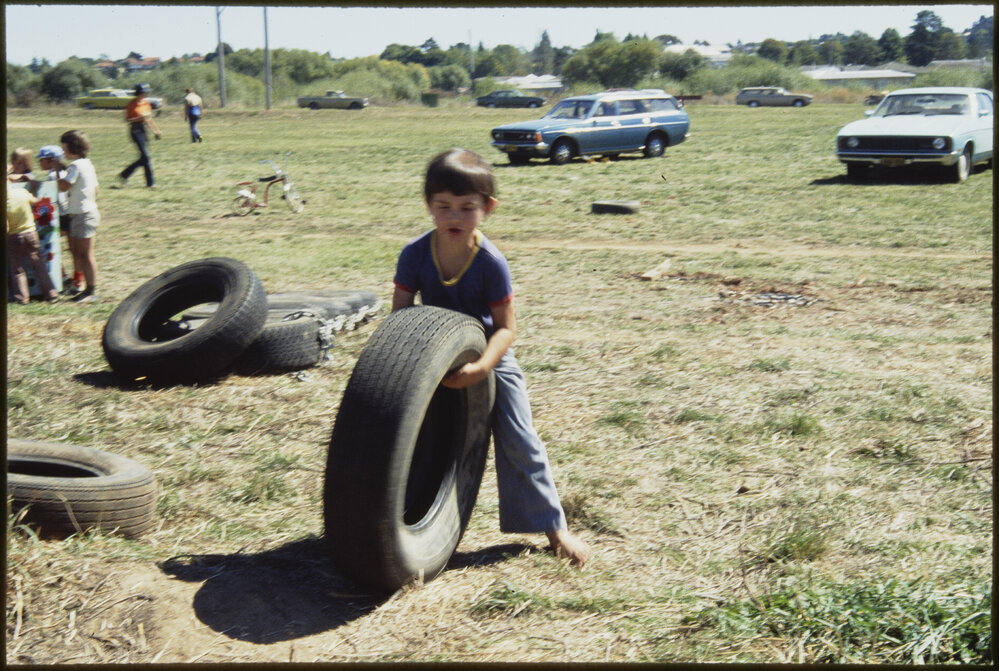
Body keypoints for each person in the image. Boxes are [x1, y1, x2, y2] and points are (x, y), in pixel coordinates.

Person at [392, 148, 591, 568]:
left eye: (467, 208)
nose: (454, 217)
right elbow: (400, 318)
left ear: (488, 208)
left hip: (488, 354)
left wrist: (484, 367)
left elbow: (506, 329)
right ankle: (393, 519)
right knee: (396, 430)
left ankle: (554, 529)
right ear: (428, 204)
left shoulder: (490, 262)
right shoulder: (414, 254)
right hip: (427, 355)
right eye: (443, 206)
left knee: (519, 435)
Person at [58, 130, 101, 303]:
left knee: (85, 255)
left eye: (64, 148)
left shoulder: (75, 166)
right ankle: (83, 288)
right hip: (82, 213)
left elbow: (63, 186)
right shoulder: (87, 164)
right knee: (79, 253)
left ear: (72, 147)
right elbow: (96, 190)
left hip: (83, 215)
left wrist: (57, 171)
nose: (63, 152)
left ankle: (91, 291)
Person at [32, 145, 81, 293]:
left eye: (42, 159)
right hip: (67, 214)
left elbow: (59, 198)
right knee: (72, 250)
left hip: (62, 215)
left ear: (51, 160)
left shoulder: (54, 176)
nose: (39, 162)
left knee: (51, 246)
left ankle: (65, 277)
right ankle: (75, 279)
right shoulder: (61, 173)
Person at [7, 185, 59, 304]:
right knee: (39, 265)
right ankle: (51, 293)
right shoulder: (21, 192)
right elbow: (36, 201)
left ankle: (22, 298)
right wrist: (34, 189)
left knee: (17, 269)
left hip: (14, 237)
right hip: (30, 234)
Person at [118, 83, 161, 187]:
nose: (146, 94)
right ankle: (150, 183)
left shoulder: (146, 103)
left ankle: (124, 174)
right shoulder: (131, 104)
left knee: (144, 157)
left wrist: (156, 130)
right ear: (139, 93)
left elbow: (149, 119)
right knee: (146, 156)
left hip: (143, 129)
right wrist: (139, 118)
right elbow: (128, 120)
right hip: (135, 130)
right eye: (144, 92)